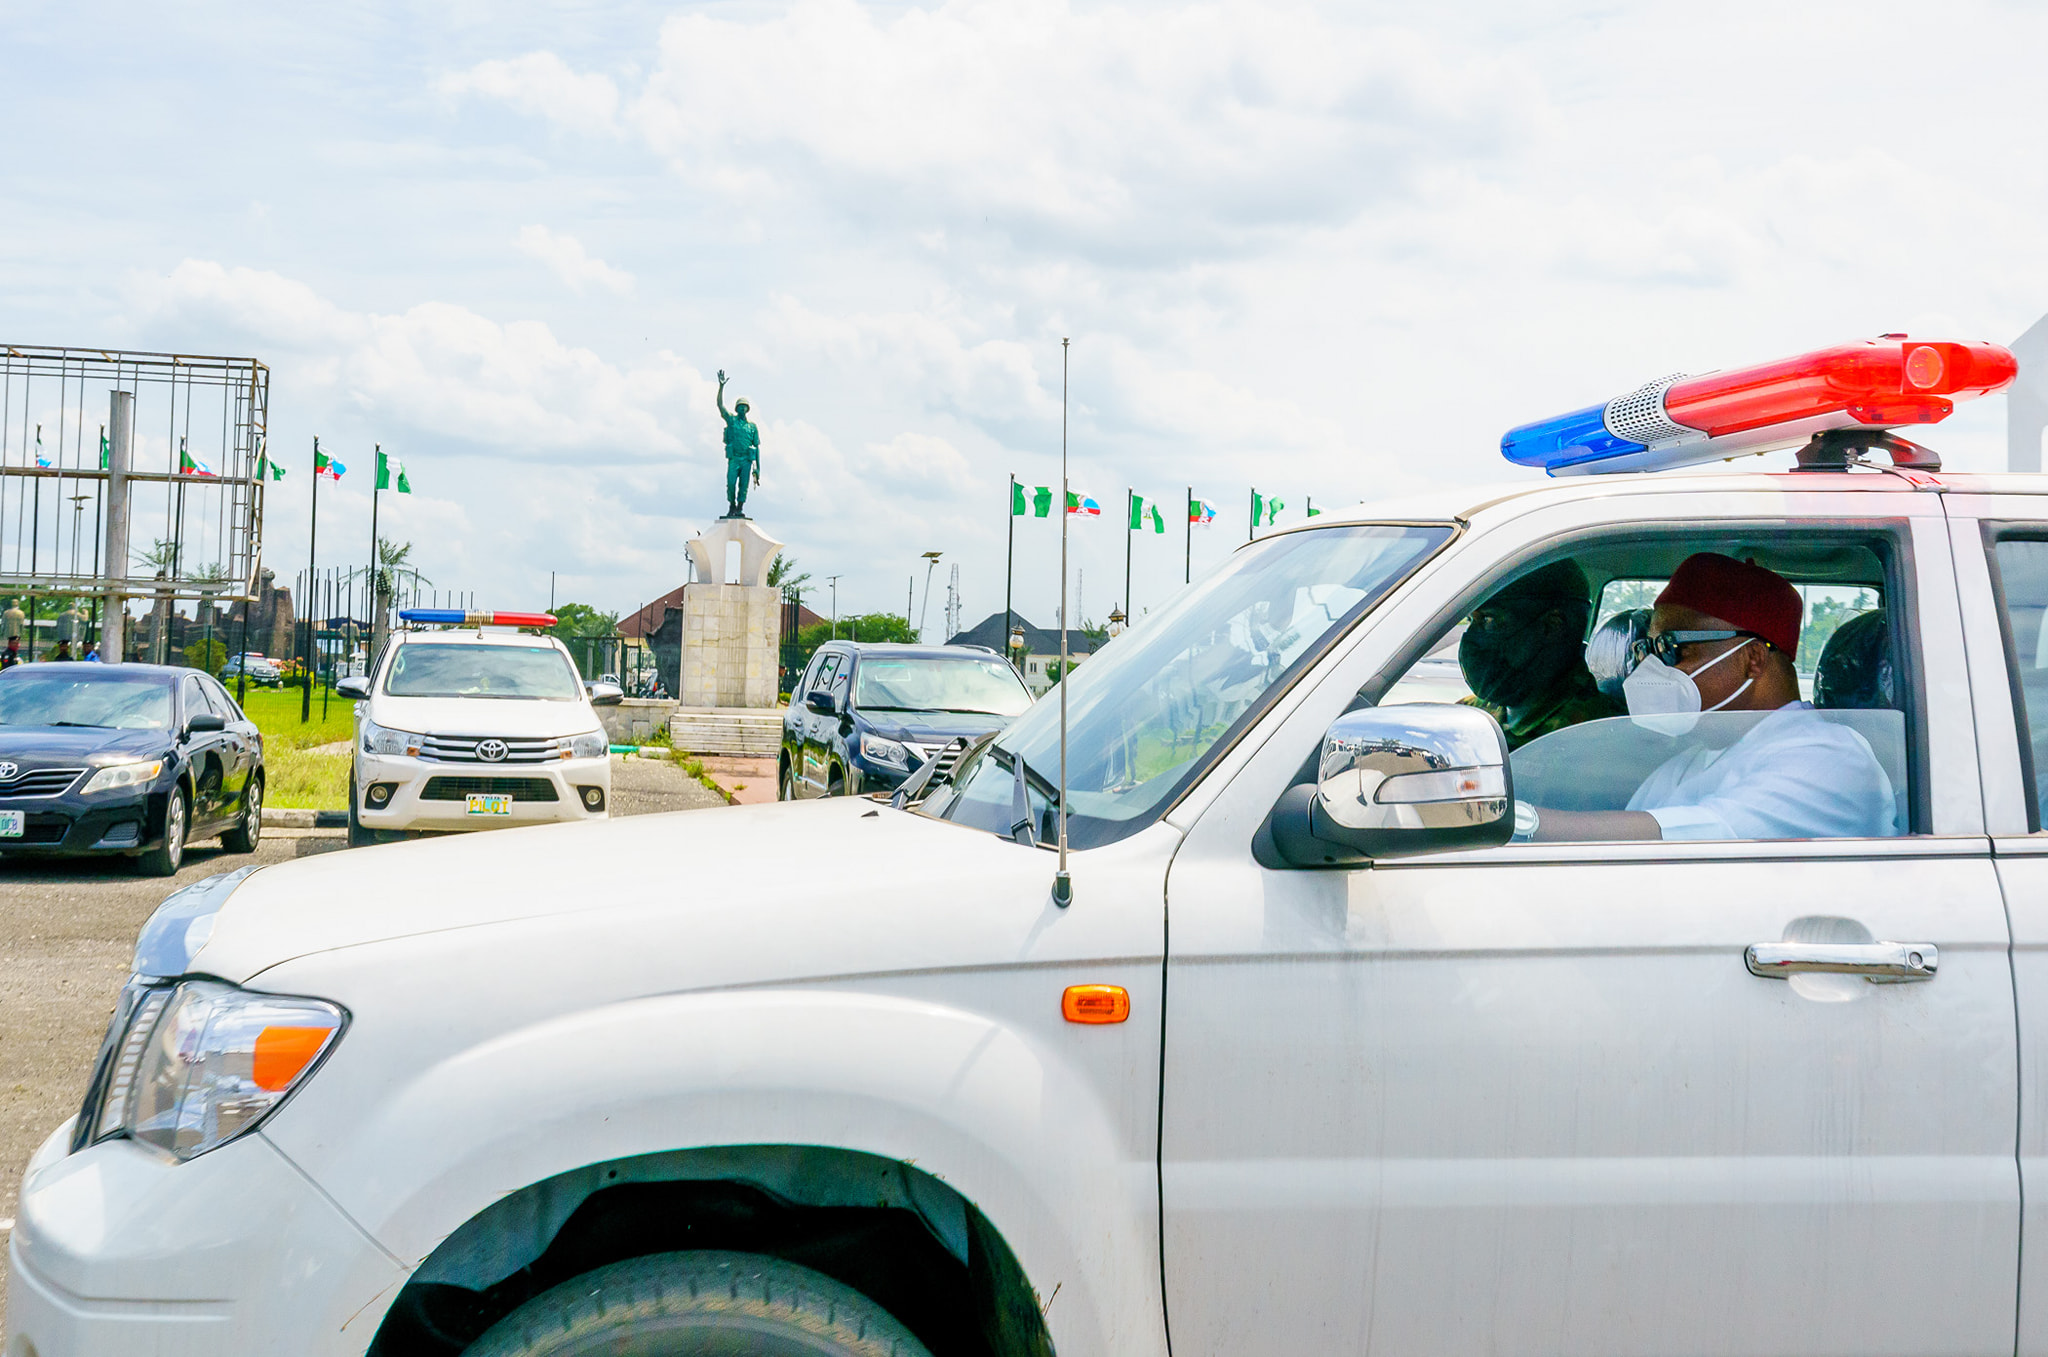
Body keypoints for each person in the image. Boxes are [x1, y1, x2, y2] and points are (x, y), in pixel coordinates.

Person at [1519, 552, 1896, 841]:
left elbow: (1686, 839)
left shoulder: (1829, 758)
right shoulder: (1693, 759)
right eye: (1646, 650)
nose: (1651, 667)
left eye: (1671, 647)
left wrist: (1517, 821)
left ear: (1753, 658)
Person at [1458, 560, 1621, 749]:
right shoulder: (1473, 714)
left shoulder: (1598, 734)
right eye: (1472, 620)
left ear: (1552, 626)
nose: (1473, 636)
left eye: (1489, 620)